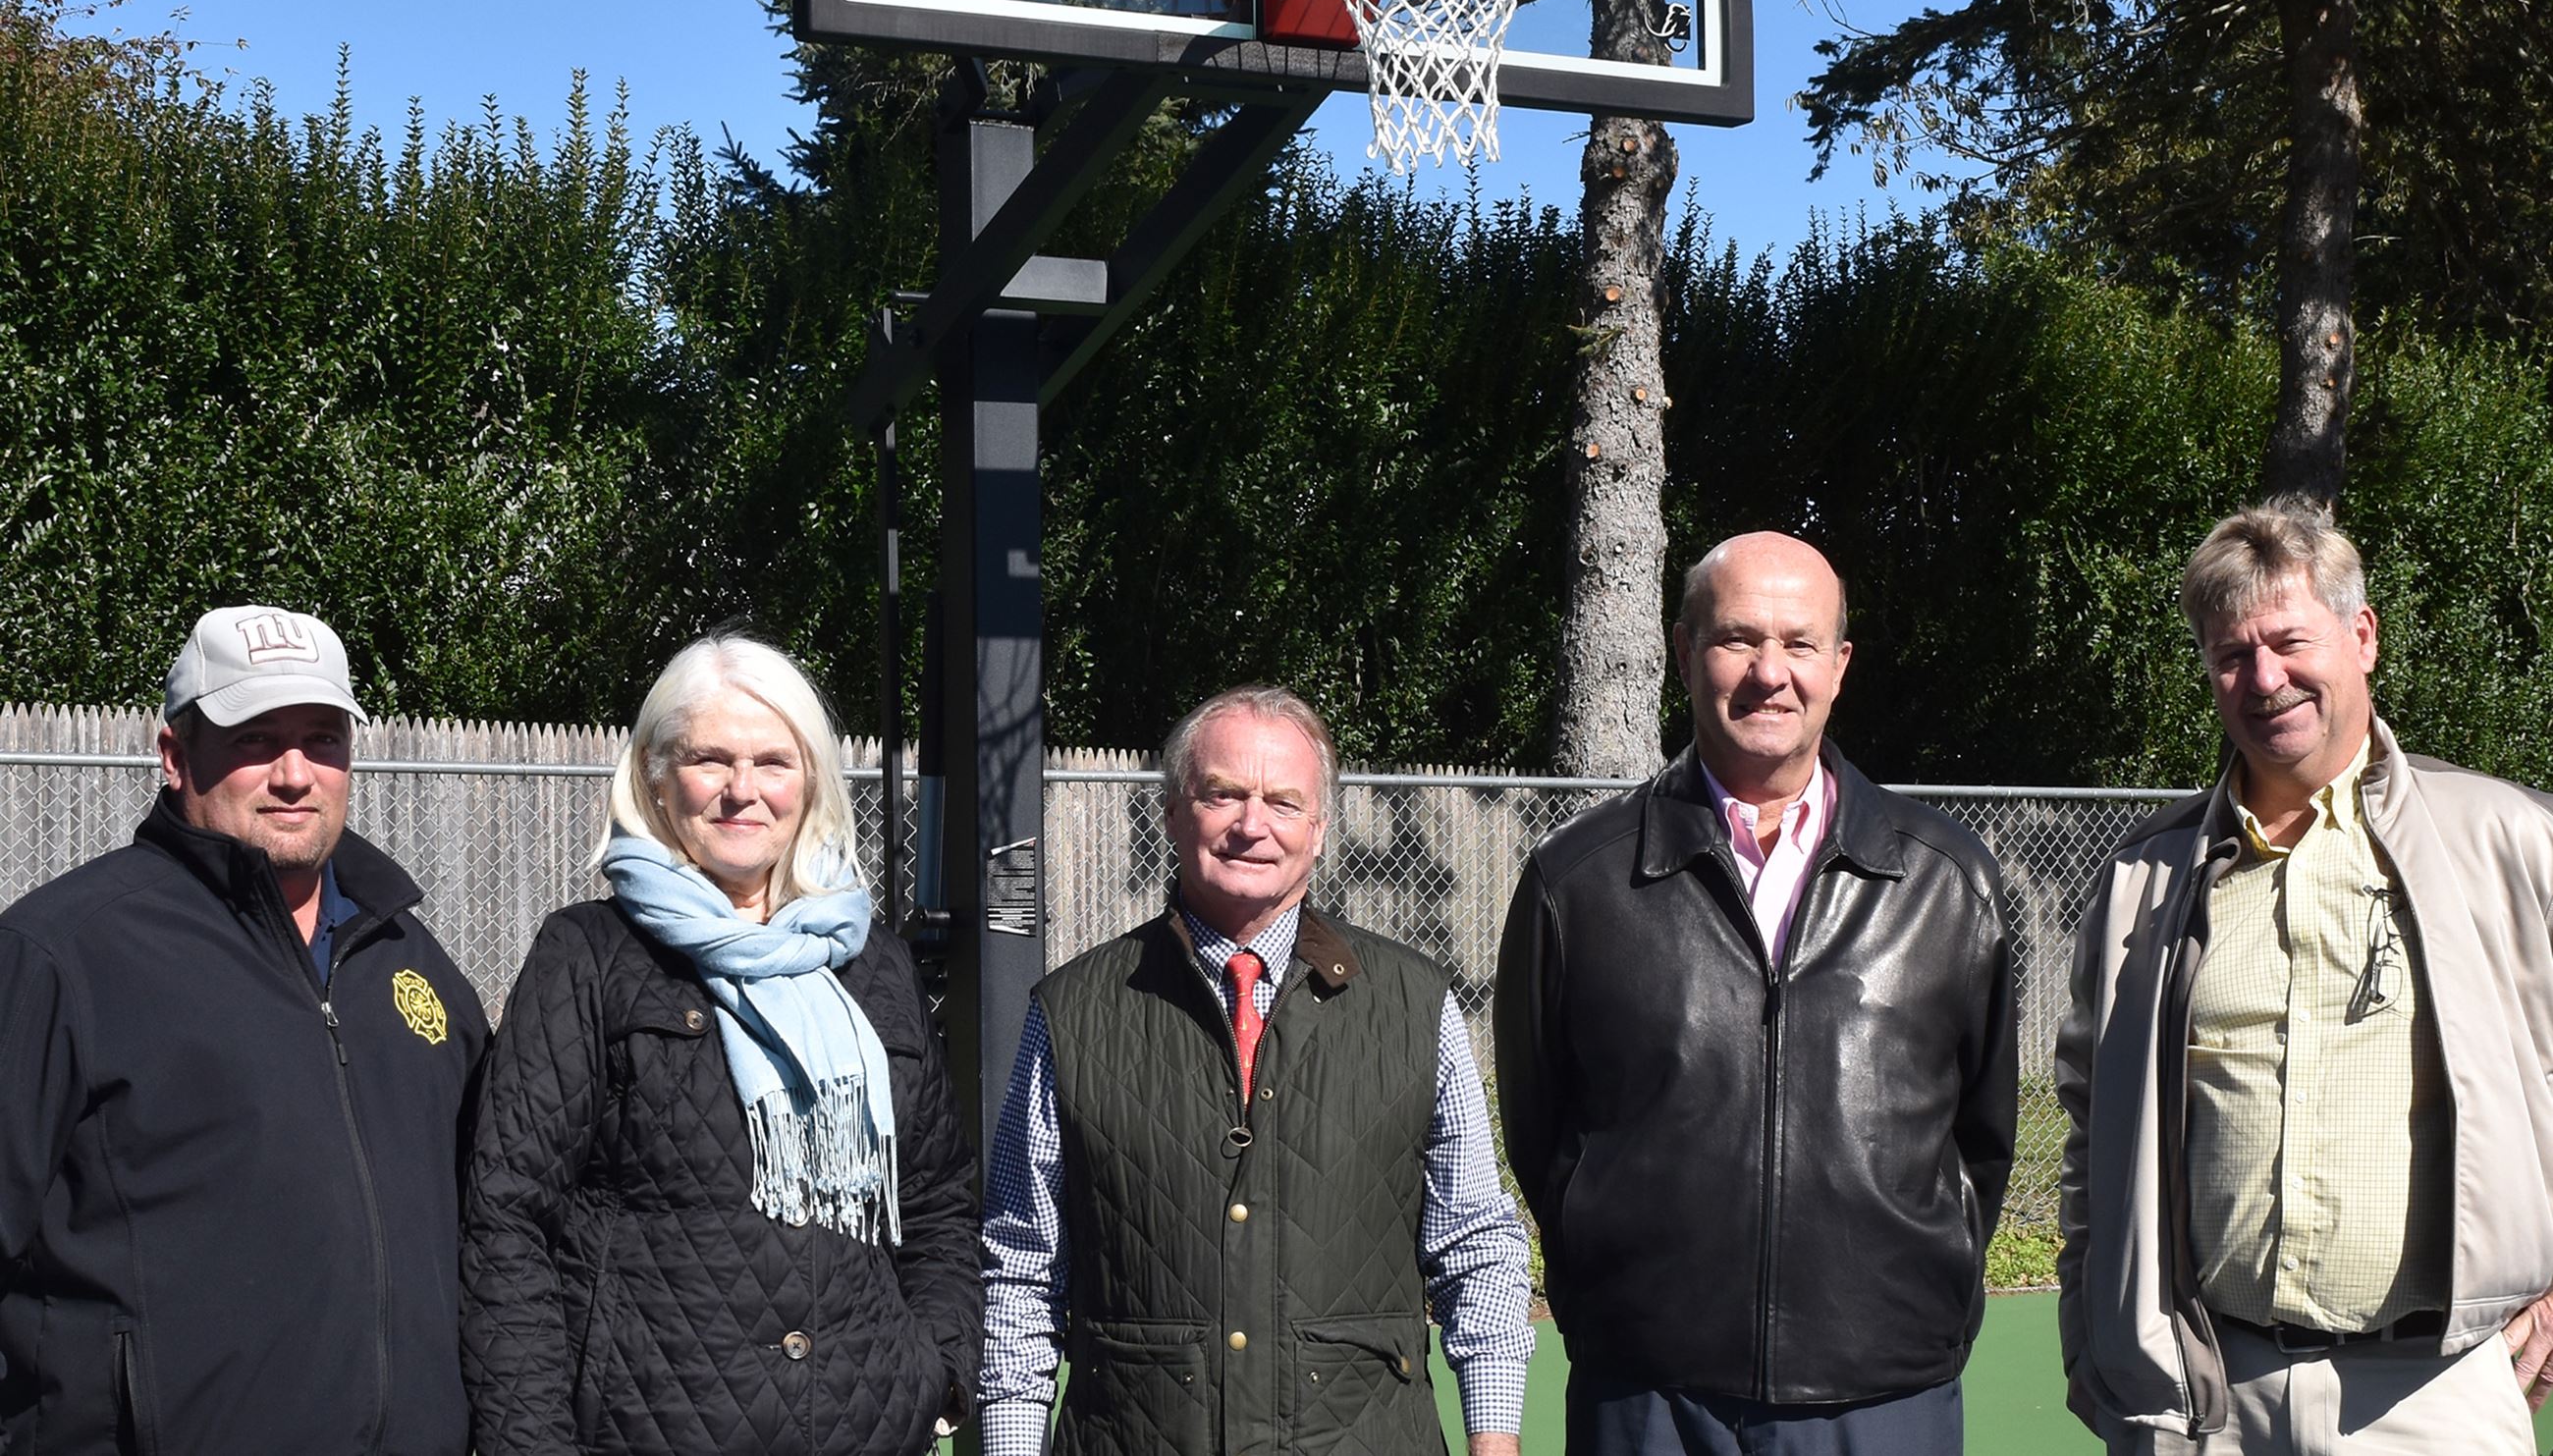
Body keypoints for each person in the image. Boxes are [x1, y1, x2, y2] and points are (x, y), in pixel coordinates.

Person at [1495, 531, 2017, 1456]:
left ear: (1840, 665)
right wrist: (1611, 1305)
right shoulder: (1577, 882)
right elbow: (1541, 1128)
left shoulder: (1947, 880)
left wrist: (1925, 1309)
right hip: (1647, 1395)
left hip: (1884, 1392)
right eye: (1738, 638)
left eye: (1799, 642)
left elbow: (1983, 1136)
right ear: (1684, 652)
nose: (1769, 672)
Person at [2057, 501, 2553, 1454]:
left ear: (2359, 635)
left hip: (2433, 1394)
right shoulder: (2144, 879)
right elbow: (2089, 1121)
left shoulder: (2504, 841)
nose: (2263, 678)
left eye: (2287, 641)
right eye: (2230, 654)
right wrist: (2093, 1327)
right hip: (2209, 1396)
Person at [977, 684, 1535, 1455]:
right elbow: (1021, 1269)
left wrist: (1496, 1436)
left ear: (1319, 828)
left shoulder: (1416, 1004)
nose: (1252, 823)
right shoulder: (1071, 1013)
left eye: (1282, 800)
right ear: (1172, 812)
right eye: (1223, 793)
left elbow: (1475, 1242)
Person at [461, 634, 981, 1455]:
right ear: (659, 778)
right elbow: (507, 1217)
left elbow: (938, 1195)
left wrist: (938, 1368)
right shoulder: (590, 956)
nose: (745, 790)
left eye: (774, 760)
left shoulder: (873, 963)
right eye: (711, 758)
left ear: (811, 781)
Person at [0, 604, 489, 1454]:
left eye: (322, 738)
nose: (295, 773)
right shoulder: (60, 955)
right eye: (256, 738)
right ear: (175, 756)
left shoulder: (412, 959)